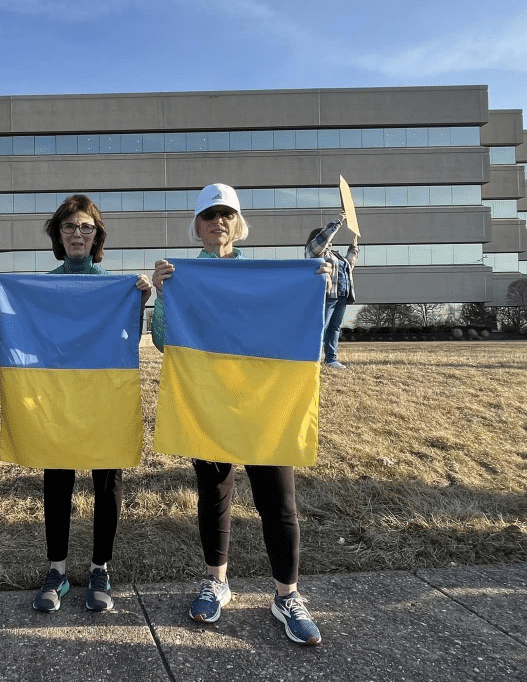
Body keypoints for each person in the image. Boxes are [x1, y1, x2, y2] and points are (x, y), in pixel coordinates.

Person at [151, 183, 328, 646]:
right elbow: (163, 342)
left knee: (279, 499)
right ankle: (217, 581)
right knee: (214, 493)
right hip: (208, 402)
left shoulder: (265, 276)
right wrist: (163, 294)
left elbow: (302, 327)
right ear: (198, 225)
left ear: (238, 223)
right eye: (209, 215)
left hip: (264, 404)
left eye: (226, 214)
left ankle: (287, 595)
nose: (218, 222)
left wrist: (317, 285)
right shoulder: (181, 275)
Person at [28, 194, 152, 614]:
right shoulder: (41, 287)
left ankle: (101, 569)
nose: (77, 233)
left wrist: (140, 297)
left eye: (85, 227)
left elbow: (128, 342)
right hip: (59, 398)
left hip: (103, 397)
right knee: (57, 479)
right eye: (69, 226)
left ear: (97, 235)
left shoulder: (116, 287)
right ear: (57, 235)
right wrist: (3, 292)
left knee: (106, 483)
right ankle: (57, 572)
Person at [305, 214, 359, 369]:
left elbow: (349, 264)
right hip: (327, 295)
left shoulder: (335, 254)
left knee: (334, 327)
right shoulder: (315, 252)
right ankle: (312, 358)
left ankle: (331, 359)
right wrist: (338, 222)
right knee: (321, 326)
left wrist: (354, 247)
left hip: (342, 294)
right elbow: (322, 240)